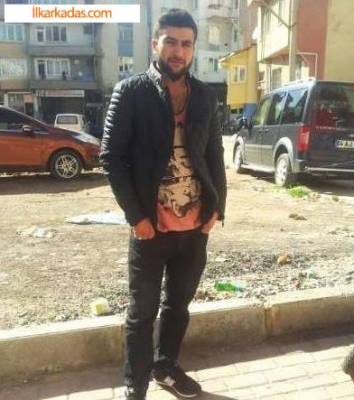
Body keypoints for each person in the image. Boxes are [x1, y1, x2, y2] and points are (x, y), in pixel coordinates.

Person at [100, 9, 227, 400]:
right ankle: (134, 387)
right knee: (141, 313)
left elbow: (215, 153)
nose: (178, 51)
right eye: (170, 41)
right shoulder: (131, 92)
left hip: (194, 227)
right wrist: (136, 216)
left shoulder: (204, 95)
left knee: (178, 306)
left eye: (186, 44)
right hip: (150, 229)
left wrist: (217, 209)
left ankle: (165, 367)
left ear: (193, 48)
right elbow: (111, 157)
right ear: (155, 43)